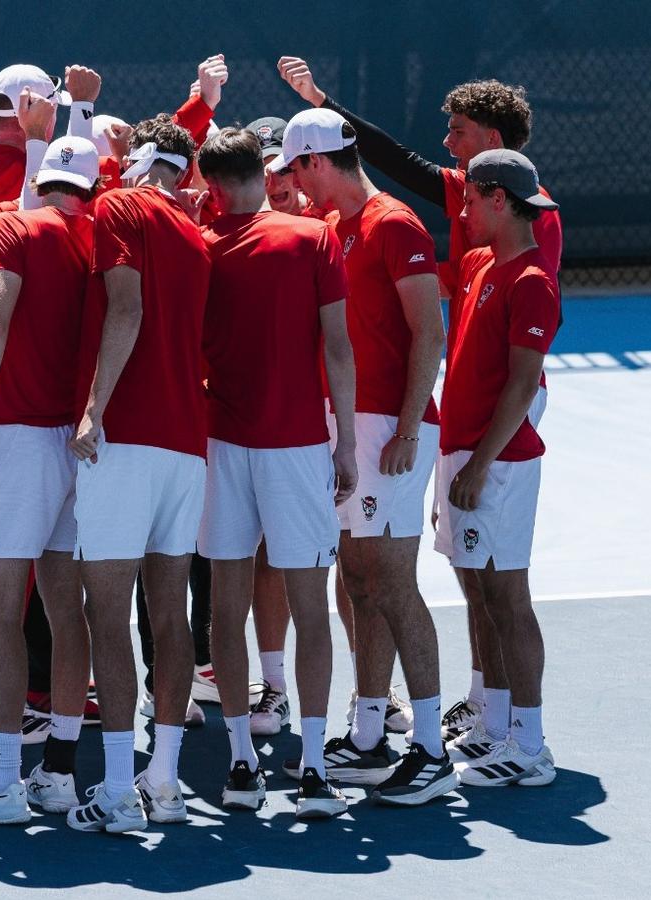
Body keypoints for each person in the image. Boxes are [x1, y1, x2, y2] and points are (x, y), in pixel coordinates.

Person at [278, 58, 563, 747]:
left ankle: (510, 732)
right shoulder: (472, 239)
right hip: (461, 416)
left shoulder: (520, 235)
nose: (446, 149)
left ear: (491, 145)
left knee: (493, 583)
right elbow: (395, 163)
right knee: (472, 575)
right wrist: (326, 100)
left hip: (495, 417)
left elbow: (517, 351)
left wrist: (438, 434)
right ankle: (484, 708)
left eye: (458, 131)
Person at [272, 108, 456, 806]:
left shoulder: (394, 224)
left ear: (317, 162)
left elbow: (427, 336)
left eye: (294, 170)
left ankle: (432, 750)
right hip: (353, 425)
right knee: (358, 579)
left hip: (391, 428)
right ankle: (371, 731)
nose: (293, 185)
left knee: (391, 581)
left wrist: (409, 429)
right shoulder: (335, 230)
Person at [194, 128, 358, 820]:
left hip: (221, 447)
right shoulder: (313, 237)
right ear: (261, 174)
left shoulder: (197, 248)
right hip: (295, 449)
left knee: (225, 611)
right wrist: (346, 442)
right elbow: (340, 348)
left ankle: (239, 763)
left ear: (211, 186)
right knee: (309, 606)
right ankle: (314, 768)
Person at [0, 134, 101, 824]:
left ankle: (5, 779)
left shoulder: (15, 226)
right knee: (69, 614)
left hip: (14, 441)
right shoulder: (104, 237)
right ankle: (59, 773)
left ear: (41, 179)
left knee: (2, 613)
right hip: (82, 445)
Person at [64, 114, 211, 834]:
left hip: (127, 441)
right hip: (188, 445)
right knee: (168, 612)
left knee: (108, 612)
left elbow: (127, 307)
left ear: (134, 160)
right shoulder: (193, 231)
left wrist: (95, 407)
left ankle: (119, 790)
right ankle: (167, 779)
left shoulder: (119, 206)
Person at [437, 150, 561, 787]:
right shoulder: (483, 263)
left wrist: (479, 464)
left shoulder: (532, 280)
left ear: (499, 200)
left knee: (509, 598)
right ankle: (498, 724)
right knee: (481, 592)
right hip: (464, 455)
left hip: (502, 464)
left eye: (469, 199)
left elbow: (519, 388)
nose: (460, 210)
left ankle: (530, 744)